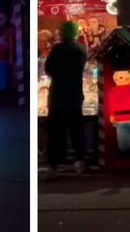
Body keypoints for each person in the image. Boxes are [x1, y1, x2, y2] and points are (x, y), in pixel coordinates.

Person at [45, 20, 87, 178]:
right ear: (75, 33)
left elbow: (48, 69)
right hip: (75, 96)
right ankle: (80, 161)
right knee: (77, 130)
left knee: (55, 132)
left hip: (57, 96)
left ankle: (53, 165)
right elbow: (82, 68)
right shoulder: (80, 50)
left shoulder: (56, 50)